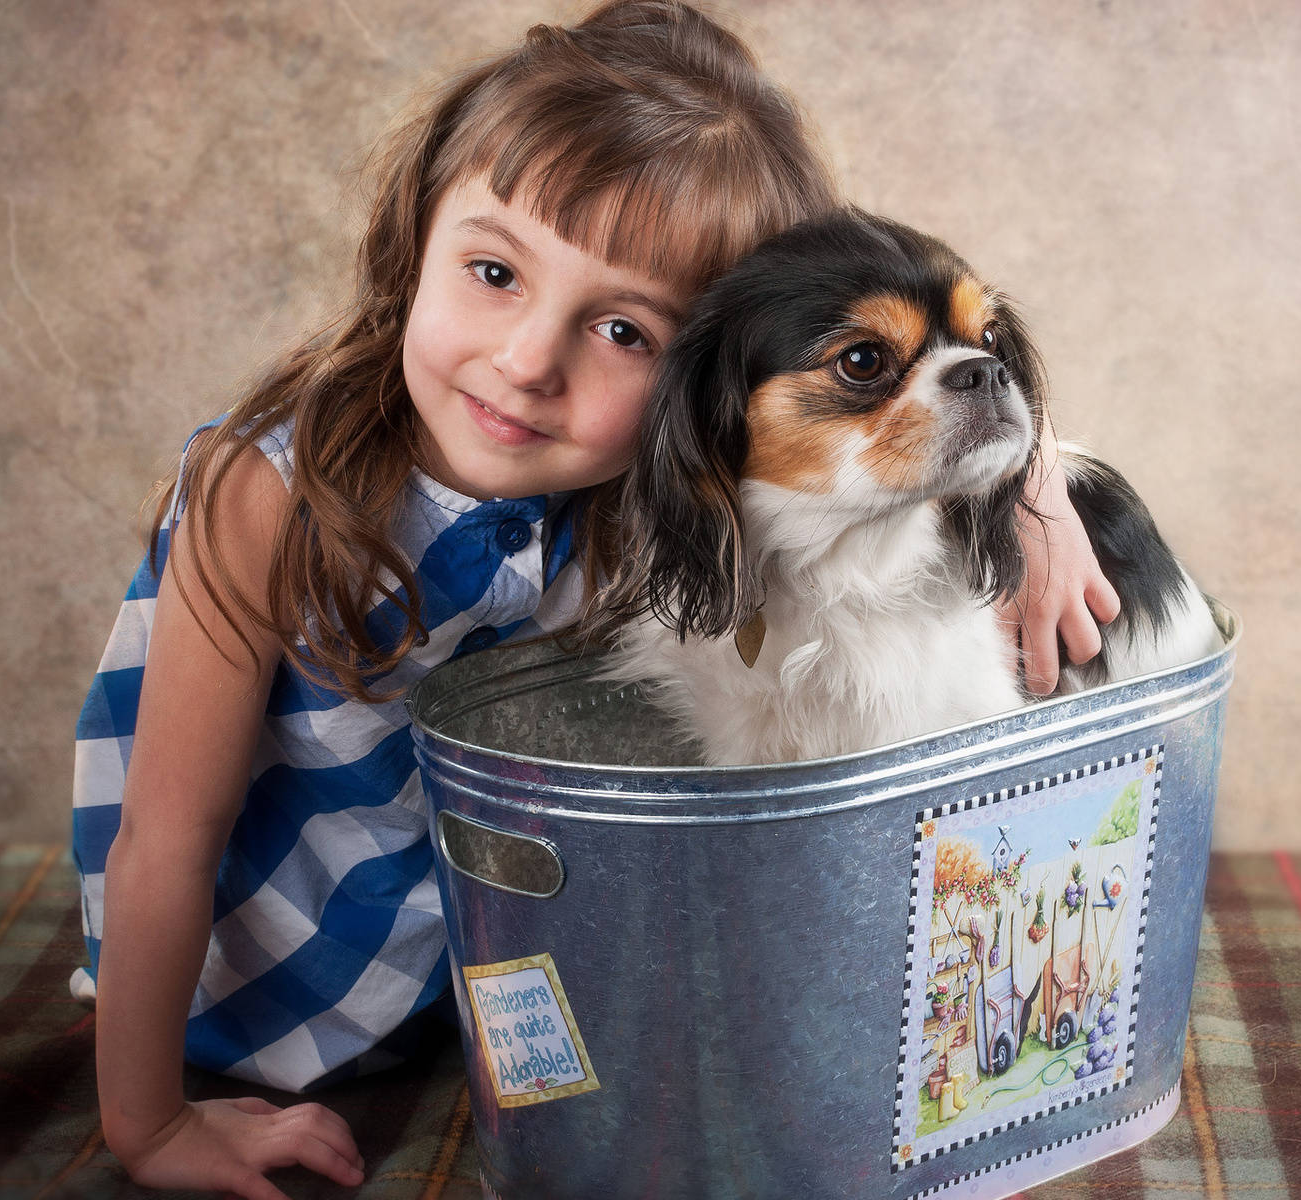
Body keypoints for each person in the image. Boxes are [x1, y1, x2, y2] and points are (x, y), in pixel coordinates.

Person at [69, 3, 1115, 1194]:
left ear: (699, 378)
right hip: (261, 984)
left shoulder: (649, 489)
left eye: (623, 327)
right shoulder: (268, 491)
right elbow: (166, 838)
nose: (527, 358)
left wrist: (1031, 479)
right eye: (494, 270)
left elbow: (889, 315)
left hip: (500, 970)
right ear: (416, 233)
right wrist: (149, 1126)